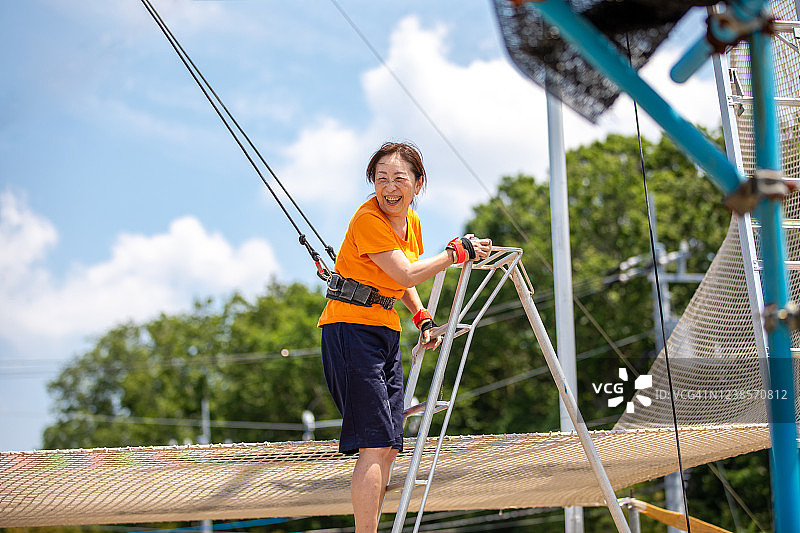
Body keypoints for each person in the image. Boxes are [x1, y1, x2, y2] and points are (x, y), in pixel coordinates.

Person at [317, 141, 492, 532]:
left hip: (384, 330)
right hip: (349, 330)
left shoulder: (410, 223)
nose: (389, 187)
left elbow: (403, 274)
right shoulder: (368, 220)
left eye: (399, 178)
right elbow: (406, 274)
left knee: (390, 446)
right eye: (380, 179)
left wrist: (422, 316)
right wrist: (455, 254)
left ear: (418, 183)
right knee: (376, 443)